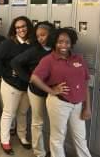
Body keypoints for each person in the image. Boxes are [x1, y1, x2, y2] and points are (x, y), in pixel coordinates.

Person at [31, 27, 92, 157]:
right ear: (54, 42)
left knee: (81, 138)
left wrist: (87, 107)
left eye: (67, 42)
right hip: (59, 103)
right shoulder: (48, 60)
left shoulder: (78, 59)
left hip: (78, 104)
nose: (64, 45)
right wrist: (51, 90)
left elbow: (85, 83)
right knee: (58, 138)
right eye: (60, 41)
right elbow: (34, 78)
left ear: (72, 43)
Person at [0, 16, 34, 154]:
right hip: (11, 85)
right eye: (18, 27)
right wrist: (6, 73)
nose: (21, 29)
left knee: (23, 112)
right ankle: (5, 140)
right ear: (14, 30)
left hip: (26, 85)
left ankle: (22, 136)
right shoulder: (9, 43)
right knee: (9, 113)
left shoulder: (32, 43)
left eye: (23, 26)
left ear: (28, 27)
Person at [11, 21, 55, 157]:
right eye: (38, 36)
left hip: (52, 91)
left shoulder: (57, 48)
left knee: (54, 124)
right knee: (38, 122)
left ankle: (54, 152)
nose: (40, 38)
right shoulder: (34, 50)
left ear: (51, 35)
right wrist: (28, 78)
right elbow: (15, 62)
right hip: (36, 91)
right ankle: (39, 152)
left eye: (43, 35)